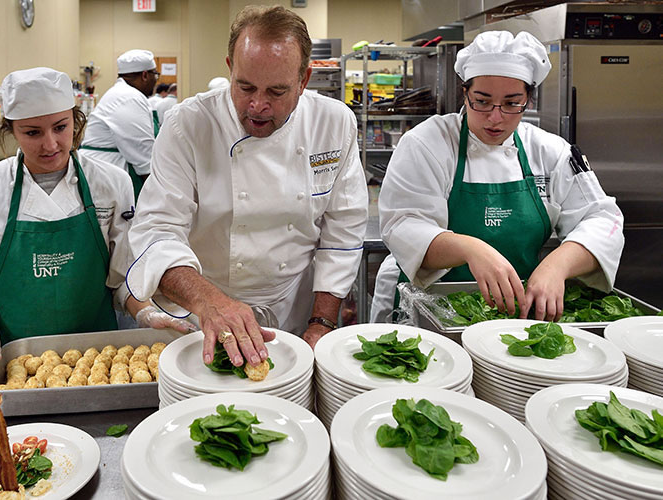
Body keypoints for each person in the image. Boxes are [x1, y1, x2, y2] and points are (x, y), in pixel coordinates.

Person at [126, 5, 368, 368]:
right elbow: (158, 231)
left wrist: (320, 323)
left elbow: (342, 233)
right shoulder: (187, 126)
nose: (257, 105)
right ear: (229, 68)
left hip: (294, 311)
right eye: (245, 87)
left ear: (304, 80)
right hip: (201, 318)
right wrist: (211, 303)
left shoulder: (333, 124)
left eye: (276, 91)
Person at [0, 67, 194, 380]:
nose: (51, 144)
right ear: (11, 130)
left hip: (101, 361)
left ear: (75, 120)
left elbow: (126, 275)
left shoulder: (110, 184)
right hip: (13, 362)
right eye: (33, 133)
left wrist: (146, 311)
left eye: (60, 127)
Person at [371, 30, 624, 323]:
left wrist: (557, 265)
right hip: (430, 310)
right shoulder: (427, 143)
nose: (496, 117)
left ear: (528, 99)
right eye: (482, 101)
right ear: (464, 93)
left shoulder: (549, 151)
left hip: (517, 313)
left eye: (512, 103)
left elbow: (603, 220)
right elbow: (402, 225)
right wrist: (470, 249)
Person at [80, 49, 159, 200]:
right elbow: (143, 154)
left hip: (109, 173)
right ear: (145, 75)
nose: (156, 80)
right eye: (155, 75)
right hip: (107, 176)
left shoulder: (124, 94)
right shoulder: (128, 97)